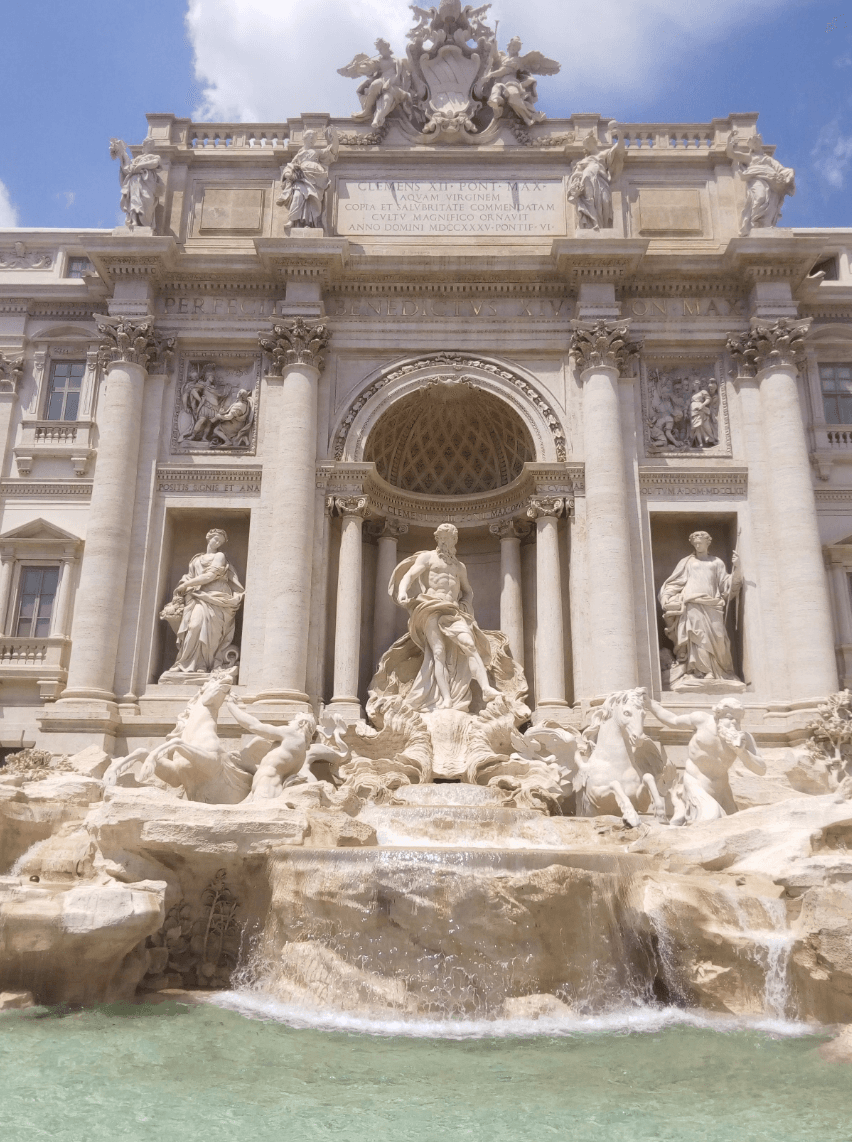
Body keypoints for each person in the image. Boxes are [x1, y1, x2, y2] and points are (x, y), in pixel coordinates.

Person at [388, 523, 499, 710]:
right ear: (437, 539)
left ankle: (486, 688)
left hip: (453, 611)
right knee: (438, 653)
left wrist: (466, 605)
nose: (445, 541)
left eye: (449, 538)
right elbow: (409, 575)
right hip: (430, 607)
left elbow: (468, 591)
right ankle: (446, 699)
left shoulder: (459, 566)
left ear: (454, 540)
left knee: (470, 644)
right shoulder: (427, 558)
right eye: (442, 538)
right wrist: (402, 592)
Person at [645, 695, 766, 823]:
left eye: (738, 719)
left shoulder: (744, 738)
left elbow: (761, 769)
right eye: (730, 718)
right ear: (718, 715)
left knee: (733, 824)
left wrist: (742, 752)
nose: (734, 723)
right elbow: (673, 720)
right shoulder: (702, 720)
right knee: (711, 818)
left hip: (722, 789)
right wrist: (651, 705)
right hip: (695, 783)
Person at [659, 531, 742, 686]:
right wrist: (666, 598)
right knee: (698, 639)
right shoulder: (687, 562)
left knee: (719, 638)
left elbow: (726, 586)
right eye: (695, 543)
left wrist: (737, 568)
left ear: (707, 543)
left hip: (713, 604)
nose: (698, 545)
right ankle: (703, 672)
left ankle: (721, 672)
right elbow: (673, 583)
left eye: (700, 542)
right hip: (692, 604)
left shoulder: (717, 562)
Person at [161, 529, 245, 675]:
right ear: (209, 538)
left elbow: (210, 576)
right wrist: (185, 584)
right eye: (216, 539)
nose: (217, 543)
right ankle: (185, 663)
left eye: (220, 541)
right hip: (197, 597)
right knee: (194, 626)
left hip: (217, 598)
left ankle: (204, 665)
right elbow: (190, 576)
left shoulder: (219, 556)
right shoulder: (196, 559)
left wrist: (186, 585)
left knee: (211, 633)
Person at [224, 697, 317, 800]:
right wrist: (248, 765)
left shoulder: (292, 734)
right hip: (267, 787)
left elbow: (254, 726)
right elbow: (274, 768)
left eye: (294, 720)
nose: (291, 723)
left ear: (301, 723)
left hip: (266, 787)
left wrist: (231, 706)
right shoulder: (301, 752)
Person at [726, 131, 795, 235]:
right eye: (753, 143)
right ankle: (755, 222)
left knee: (769, 201)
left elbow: (780, 169)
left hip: (770, 180)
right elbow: (731, 154)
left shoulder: (768, 159)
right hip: (756, 179)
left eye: (757, 142)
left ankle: (763, 223)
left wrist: (788, 174)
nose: (755, 144)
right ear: (751, 146)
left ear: (759, 143)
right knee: (760, 197)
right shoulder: (750, 157)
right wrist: (729, 142)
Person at [566, 125, 625, 231]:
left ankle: (604, 225)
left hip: (601, 182)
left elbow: (619, 149)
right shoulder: (583, 161)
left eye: (589, 142)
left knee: (606, 202)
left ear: (595, 142)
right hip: (587, 181)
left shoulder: (604, 154)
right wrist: (575, 187)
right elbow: (576, 174)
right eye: (586, 144)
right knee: (589, 201)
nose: (588, 145)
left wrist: (620, 136)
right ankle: (594, 224)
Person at [277, 128, 339, 229]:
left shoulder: (317, 152)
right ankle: (292, 220)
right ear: (304, 138)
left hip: (316, 178)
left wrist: (335, 138)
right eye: (311, 137)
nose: (312, 140)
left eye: (314, 138)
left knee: (312, 199)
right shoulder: (299, 155)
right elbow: (290, 166)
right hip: (301, 178)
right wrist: (288, 173)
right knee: (297, 197)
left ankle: (308, 223)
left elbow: (332, 151)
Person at [110, 138, 163, 230]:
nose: (150, 145)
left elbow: (154, 163)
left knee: (147, 200)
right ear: (144, 145)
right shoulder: (137, 159)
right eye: (149, 143)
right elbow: (128, 168)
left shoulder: (155, 157)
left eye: (152, 144)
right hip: (135, 180)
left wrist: (141, 166)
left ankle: (145, 222)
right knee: (135, 199)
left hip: (148, 182)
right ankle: (134, 221)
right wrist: (122, 153)